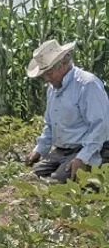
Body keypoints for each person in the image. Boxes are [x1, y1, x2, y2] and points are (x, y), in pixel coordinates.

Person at [25, 39, 109, 182]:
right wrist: (38, 150)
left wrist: (83, 158)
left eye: (49, 73)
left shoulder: (87, 85)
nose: (46, 79)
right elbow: (50, 125)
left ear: (63, 65)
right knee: (33, 176)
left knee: (57, 182)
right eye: (43, 75)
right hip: (62, 151)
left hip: (93, 148)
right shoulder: (53, 88)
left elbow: (100, 127)